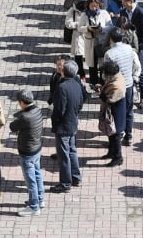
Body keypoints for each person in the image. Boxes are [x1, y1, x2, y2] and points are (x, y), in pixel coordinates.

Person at [50, 60, 84, 193]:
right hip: (73, 122)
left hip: (63, 126)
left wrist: (56, 121)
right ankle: (76, 177)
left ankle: (65, 183)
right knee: (72, 151)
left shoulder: (62, 87)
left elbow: (59, 109)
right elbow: (81, 102)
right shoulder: (77, 83)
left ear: (64, 72)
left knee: (64, 155)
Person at [9, 89, 45, 216]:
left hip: (27, 151)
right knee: (37, 174)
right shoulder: (37, 110)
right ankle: (40, 199)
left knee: (30, 181)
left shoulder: (24, 117)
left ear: (22, 102)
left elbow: (12, 127)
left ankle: (34, 207)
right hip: (37, 148)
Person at [104, 27, 141, 147]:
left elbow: (107, 73)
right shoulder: (129, 48)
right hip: (129, 84)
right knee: (129, 111)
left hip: (116, 86)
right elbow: (135, 64)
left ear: (111, 39)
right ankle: (128, 136)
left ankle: (117, 135)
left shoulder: (109, 54)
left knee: (116, 112)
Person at [119, 0, 143, 109]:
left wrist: (138, 49)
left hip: (137, 49)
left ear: (131, 1)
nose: (122, 3)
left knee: (140, 72)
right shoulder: (123, 12)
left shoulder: (142, 14)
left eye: (124, 1)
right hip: (125, 48)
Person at [99, 59, 126, 167]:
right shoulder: (116, 77)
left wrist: (103, 96)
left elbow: (111, 99)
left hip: (116, 112)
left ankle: (118, 157)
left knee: (115, 135)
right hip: (114, 111)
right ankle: (111, 152)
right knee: (111, 133)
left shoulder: (117, 85)